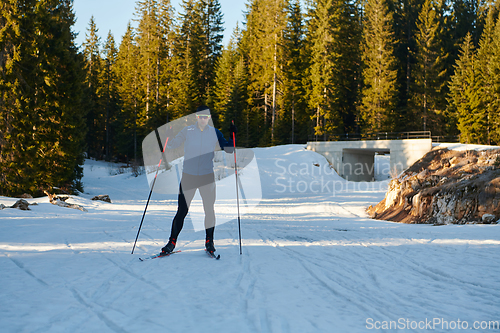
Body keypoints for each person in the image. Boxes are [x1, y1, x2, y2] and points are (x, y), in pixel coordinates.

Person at [161, 105, 236, 255]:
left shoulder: (215, 133)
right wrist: (168, 135)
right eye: (201, 117)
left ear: (209, 118)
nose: (203, 119)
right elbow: (172, 145)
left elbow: (229, 149)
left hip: (206, 177)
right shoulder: (187, 131)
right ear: (197, 117)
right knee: (182, 211)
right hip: (189, 176)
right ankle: (171, 242)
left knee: (209, 210)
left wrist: (232, 135)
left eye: (206, 117)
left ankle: (209, 241)